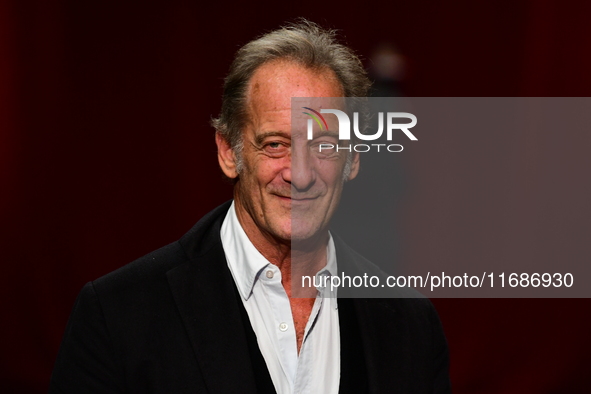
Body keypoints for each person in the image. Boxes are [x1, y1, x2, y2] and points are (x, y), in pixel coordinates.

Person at [49, 20, 450, 394]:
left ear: (354, 160)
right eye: (275, 144)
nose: (300, 173)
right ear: (228, 152)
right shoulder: (118, 315)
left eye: (324, 146)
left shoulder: (410, 326)